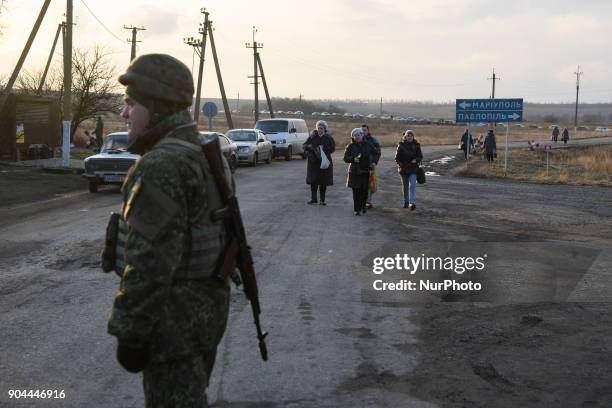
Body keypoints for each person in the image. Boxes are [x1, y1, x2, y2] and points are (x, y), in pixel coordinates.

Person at [106, 54, 233, 407]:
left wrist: (130, 332)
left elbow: (149, 264)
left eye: (131, 104)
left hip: (173, 326)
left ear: (157, 106)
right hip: (204, 317)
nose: (124, 114)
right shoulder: (206, 153)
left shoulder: (163, 165)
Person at [344, 128, 374, 216]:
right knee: (356, 191)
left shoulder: (368, 145)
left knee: (364, 191)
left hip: (365, 170)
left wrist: (373, 162)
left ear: (362, 135)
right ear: (353, 137)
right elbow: (345, 158)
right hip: (354, 172)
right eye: (355, 135)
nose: (357, 137)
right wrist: (353, 159)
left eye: (359, 135)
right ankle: (357, 209)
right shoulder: (350, 146)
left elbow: (376, 153)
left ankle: (363, 206)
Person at [303, 120, 335, 205]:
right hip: (313, 162)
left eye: (321, 128)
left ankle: (322, 200)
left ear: (325, 129)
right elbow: (304, 145)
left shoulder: (328, 138)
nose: (320, 130)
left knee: (323, 182)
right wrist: (310, 147)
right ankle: (313, 199)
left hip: (324, 163)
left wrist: (323, 149)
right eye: (318, 128)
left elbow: (332, 149)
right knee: (313, 182)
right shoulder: (312, 136)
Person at [395, 130, 423, 210]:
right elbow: (396, 158)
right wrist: (400, 165)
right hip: (403, 169)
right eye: (408, 136)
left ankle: (412, 203)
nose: (410, 137)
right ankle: (406, 201)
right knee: (405, 187)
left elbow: (420, 156)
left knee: (413, 186)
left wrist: (416, 160)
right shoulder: (401, 145)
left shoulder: (417, 145)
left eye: (411, 136)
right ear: (405, 137)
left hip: (413, 168)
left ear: (413, 137)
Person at [361, 124, 380, 209]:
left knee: (370, 184)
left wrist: (374, 162)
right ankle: (362, 201)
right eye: (362, 130)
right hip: (360, 166)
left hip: (370, 165)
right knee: (361, 184)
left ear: (368, 131)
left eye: (365, 130)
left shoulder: (373, 141)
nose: (363, 132)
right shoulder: (357, 139)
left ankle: (368, 201)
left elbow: (377, 153)